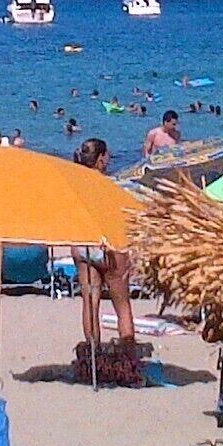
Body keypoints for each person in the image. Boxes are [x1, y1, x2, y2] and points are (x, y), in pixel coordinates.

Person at [71, 138, 133, 356]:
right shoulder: (109, 186)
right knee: (122, 306)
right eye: (107, 156)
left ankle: (93, 356)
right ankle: (128, 357)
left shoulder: (75, 186)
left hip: (83, 245)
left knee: (90, 302)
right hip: (108, 246)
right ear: (101, 159)